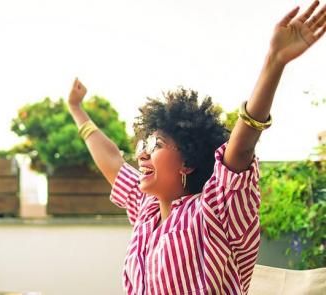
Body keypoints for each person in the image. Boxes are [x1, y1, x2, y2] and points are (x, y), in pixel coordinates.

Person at [67, 1, 325, 294]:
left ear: (187, 161)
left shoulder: (215, 211)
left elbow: (239, 150)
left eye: (156, 144)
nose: (141, 153)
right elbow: (112, 159)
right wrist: (76, 110)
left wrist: (274, 61)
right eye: (143, 143)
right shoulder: (146, 210)